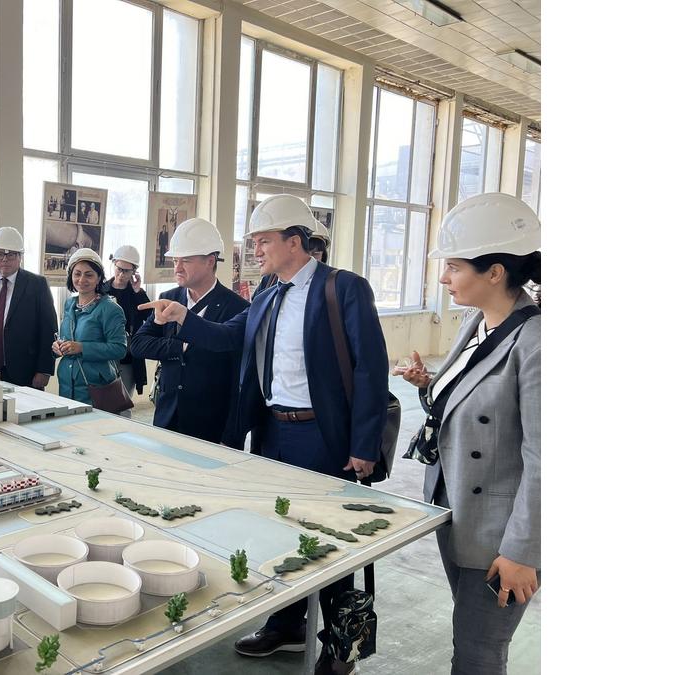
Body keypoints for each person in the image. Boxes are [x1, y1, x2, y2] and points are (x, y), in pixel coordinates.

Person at [140, 195, 388, 675]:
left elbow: (371, 369)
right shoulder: (269, 292)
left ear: (295, 242)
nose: (255, 250)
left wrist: (363, 445)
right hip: (273, 433)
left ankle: (340, 647)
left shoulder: (342, 288)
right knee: (280, 532)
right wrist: (184, 318)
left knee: (328, 538)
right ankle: (287, 624)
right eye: (253, 241)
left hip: (322, 435)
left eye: (263, 241)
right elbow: (229, 336)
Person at [394, 193, 541, 675]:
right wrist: (431, 385)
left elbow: (546, 460)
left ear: (495, 272)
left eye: (454, 267)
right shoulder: (478, 322)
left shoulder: (537, 343)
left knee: (478, 655)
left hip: (501, 535)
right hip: (457, 509)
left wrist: (523, 552)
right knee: (469, 638)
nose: (443, 278)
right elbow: (474, 401)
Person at [130, 218, 249, 447]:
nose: (177, 268)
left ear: (210, 261)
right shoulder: (169, 298)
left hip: (211, 422)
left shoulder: (237, 307)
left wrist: (232, 435)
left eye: (185, 260)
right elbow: (138, 344)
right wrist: (179, 347)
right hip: (168, 414)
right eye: (175, 260)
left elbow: (238, 379)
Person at [0, 226, 58, 390]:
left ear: (20, 256)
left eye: (11, 254)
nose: (5, 259)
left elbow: (49, 330)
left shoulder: (37, 285)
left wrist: (44, 370)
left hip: (25, 374)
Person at [52, 249, 127, 406]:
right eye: (77, 274)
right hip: (66, 385)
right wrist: (58, 346)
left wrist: (82, 348)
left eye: (89, 275)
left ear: (99, 278)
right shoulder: (69, 304)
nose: (81, 279)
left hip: (95, 389)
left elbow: (119, 349)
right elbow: (67, 337)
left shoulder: (110, 309)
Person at [104, 245, 152, 403]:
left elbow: (151, 318)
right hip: (104, 354)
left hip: (128, 357)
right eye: (119, 269)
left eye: (126, 271)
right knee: (101, 402)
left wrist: (138, 291)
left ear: (134, 272)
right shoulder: (101, 290)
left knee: (123, 404)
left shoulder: (136, 293)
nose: (121, 274)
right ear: (114, 264)